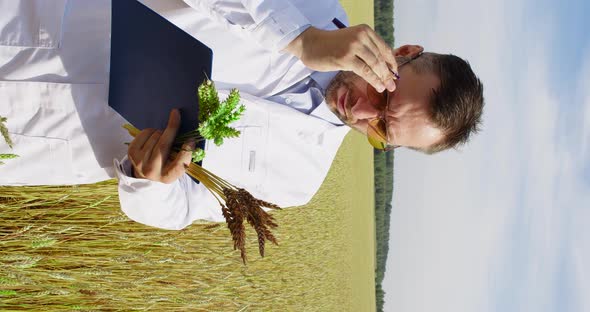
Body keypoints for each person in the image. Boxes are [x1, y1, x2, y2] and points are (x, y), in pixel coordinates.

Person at [116, 0, 484, 230]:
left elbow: (180, 209)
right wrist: (300, 37)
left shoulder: (298, 179)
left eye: (382, 128)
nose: (361, 111)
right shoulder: (315, 7)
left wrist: (149, 184)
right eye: (383, 94)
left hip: (64, 137)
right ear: (402, 51)